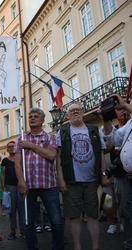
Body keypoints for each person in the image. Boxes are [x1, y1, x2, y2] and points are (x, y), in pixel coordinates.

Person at [56, 102, 109, 250]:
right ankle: (77, 247)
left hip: (92, 180)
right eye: (71, 111)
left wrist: (104, 175)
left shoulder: (94, 130)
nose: (75, 112)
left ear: (83, 112)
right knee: (74, 216)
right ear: (67, 115)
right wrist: (60, 179)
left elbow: (101, 154)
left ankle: (95, 246)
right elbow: (58, 157)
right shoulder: (63, 131)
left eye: (78, 110)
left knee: (93, 215)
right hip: (72, 181)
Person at [15, 107, 64, 250]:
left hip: (48, 184)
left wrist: (31, 146)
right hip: (28, 185)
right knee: (29, 222)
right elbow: (17, 163)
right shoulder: (22, 138)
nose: (32, 118)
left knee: (56, 221)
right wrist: (21, 181)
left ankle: (58, 247)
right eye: (30, 116)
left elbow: (51, 155)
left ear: (42, 120)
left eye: (36, 116)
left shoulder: (50, 137)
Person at [102, 94, 132, 249]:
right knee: (108, 201)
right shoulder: (113, 129)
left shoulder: (129, 124)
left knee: (123, 202)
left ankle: (121, 222)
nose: (122, 112)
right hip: (110, 172)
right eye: (118, 110)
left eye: (123, 109)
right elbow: (107, 146)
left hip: (123, 173)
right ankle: (111, 222)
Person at [1, 141, 24, 240]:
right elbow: (3, 174)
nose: (11, 148)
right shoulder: (5, 160)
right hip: (10, 187)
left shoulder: (21, 159)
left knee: (22, 210)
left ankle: (23, 232)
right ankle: (13, 232)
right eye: (9, 147)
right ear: (7, 149)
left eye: (13, 146)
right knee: (12, 211)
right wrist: (4, 187)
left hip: (20, 187)